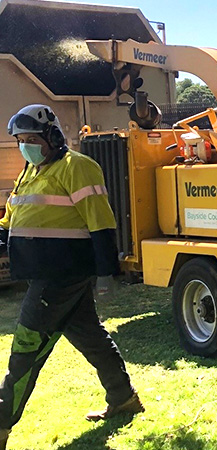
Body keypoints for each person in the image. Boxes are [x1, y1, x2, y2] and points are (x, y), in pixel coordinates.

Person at [0, 105, 143, 449]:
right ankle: (123, 398)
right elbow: (11, 221)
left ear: (52, 137)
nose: (25, 146)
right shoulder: (30, 171)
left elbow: (101, 223)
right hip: (44, 274)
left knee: (25, 350)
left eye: (31, 139)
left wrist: (107, 275)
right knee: (90, 337)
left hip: (61, 275)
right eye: (20, 140)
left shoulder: (77, 167)